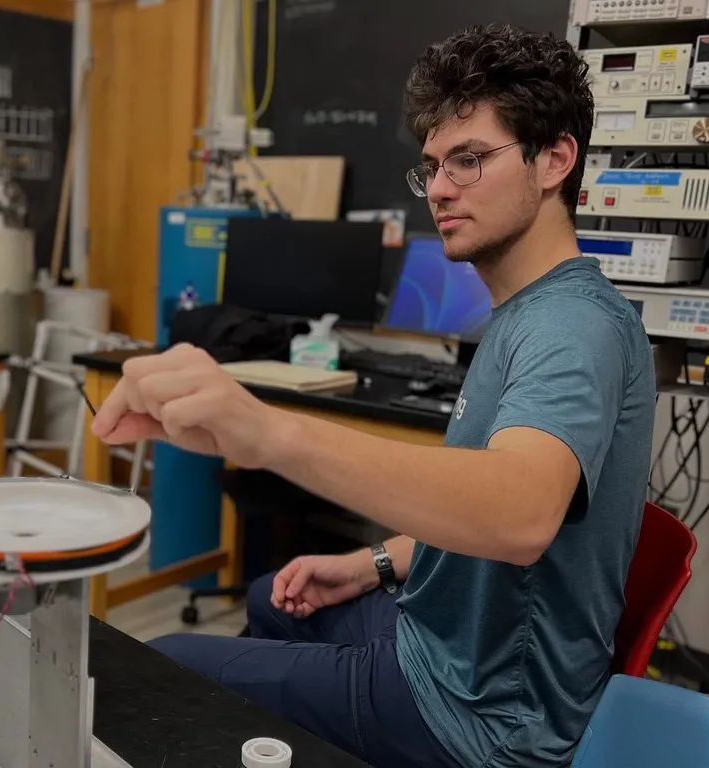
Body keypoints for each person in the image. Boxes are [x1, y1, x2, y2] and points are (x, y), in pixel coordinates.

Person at [91, 23, 656, 768]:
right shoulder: (524, 314)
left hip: (479, 720)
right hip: (437, 642)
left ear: (554, 159)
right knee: (270, 596)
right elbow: (477, 517)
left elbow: (519, 515)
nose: (443, 188)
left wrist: (267, 433)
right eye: (432, 167)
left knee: (151, 670)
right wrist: (370, 565)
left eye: (470, 159)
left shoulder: (571, 327)